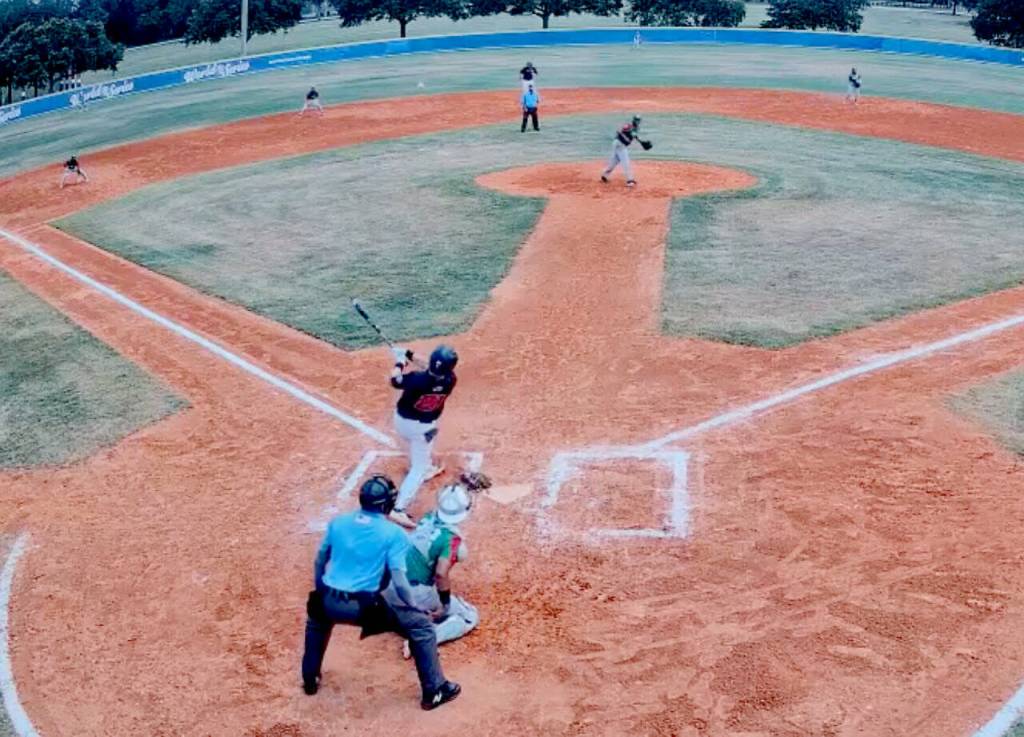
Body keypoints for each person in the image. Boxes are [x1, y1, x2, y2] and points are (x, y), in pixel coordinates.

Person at [300, 474, 462, 710]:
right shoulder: (393, 533)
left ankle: (309, 679)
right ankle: (434, 690)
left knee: (316, 623)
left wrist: (321, 591)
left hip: (327, 600)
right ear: (387, 504)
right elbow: (400, 582)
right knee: (421, 627)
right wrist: (415, 607)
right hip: (363, 608)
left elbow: (319, 561)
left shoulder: (338, 522)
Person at [383, 482, 480, 659]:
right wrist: (445, 604)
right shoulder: (450, 539)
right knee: (468, 616)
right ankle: (423, 640)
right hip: (413, 593)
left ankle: (405, 617)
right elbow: (441, 573)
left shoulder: (427, 517)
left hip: (389, 585)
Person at [388, 344, 459, 528]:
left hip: (401, 423)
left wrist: (400, 361)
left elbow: (395, 380)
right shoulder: (451, 380)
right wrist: (408, 354)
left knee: (420, 449)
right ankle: (398, 508)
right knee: (418, 466)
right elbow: (431, 369)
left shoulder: (416, 380)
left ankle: (425, 467)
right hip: (423, 430)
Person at [600, 115, 651, 188]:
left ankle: (604, 175)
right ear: (633, 120)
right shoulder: (628, 125)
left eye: (638, 120)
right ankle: (630, 181)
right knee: (626, 162)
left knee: (614, 161)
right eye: (636, 120)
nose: (637, 122)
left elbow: (634, 136)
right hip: (619, 144)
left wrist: (641, 141)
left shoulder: (636, 129)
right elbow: (623, 130)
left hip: (619, 145)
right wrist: (631, 132)